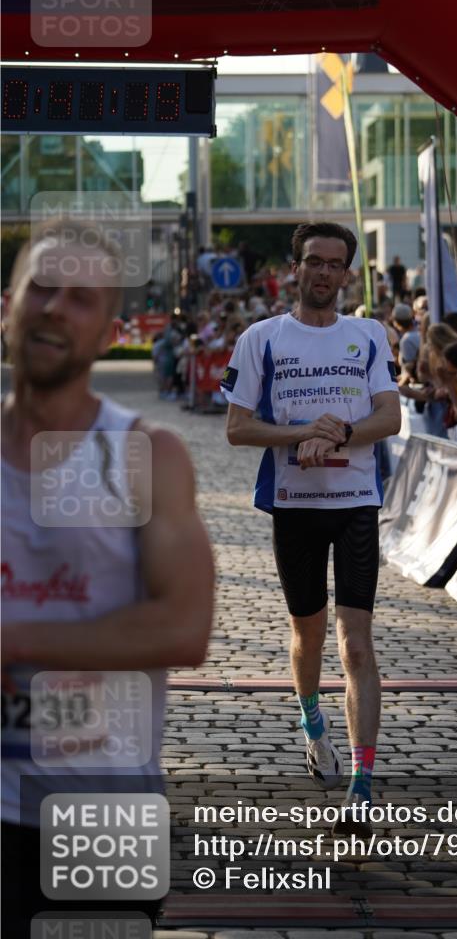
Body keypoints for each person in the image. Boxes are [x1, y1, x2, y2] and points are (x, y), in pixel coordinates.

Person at [1, 220, 215, 937]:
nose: (56, 306)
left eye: (82, 298)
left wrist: (15, 640)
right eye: (43, 288)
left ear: (110, 332)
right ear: (9, 304)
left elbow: (184, 628)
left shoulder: (143, 455)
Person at [224, 221, 400, 833]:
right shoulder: (261, 339)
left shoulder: (368, 334)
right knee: (310, 636)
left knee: (356, 642)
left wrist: (344, 433)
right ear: (294, 268)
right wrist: (304, 433)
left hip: (355, 503)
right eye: (313, 262)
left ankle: (362, 782)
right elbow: (238, 428)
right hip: (295, 506)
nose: (324, 272)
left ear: (348, 274)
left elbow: (391, 416)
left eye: (334, 264)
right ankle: (311, 721)